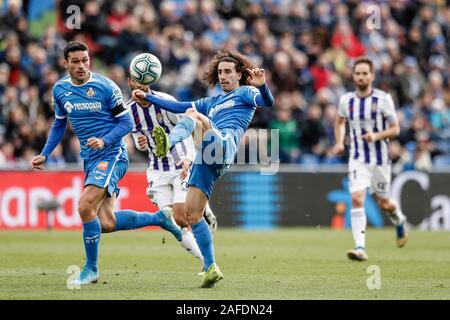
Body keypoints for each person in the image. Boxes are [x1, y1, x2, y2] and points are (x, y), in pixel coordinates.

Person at [30, 41, 182, 286]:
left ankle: (91, 269)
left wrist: (104, 140)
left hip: (112, 154)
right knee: (106, 222)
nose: (81, 65)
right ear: (65, 63)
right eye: (76, 61)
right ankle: (160, 219)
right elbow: (59, 123)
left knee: (84, 206)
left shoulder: (105, 86)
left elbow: (126, 124)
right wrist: (46, 153)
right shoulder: (60, 90)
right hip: (90, 158)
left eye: (85, 60)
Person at [133, 49, 275, 287]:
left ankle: (168, 142)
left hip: (223, 144)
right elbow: (177, 106)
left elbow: (267, 102)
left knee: (195, 116)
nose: (223, 76)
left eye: (228, 71)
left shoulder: (246, 92)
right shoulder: (212, 101)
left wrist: (262, 86)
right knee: (191, 215)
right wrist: (149, 98)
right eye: (220, 72)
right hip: (207, 158)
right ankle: (210, 267)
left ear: (240, 74)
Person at [127, 74, 218, 265]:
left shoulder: (165, 101)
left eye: (145, 81)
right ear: (130, 82)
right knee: (173, 222)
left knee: (181, 216)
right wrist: (142, 143)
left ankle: (209, 262)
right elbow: (141, 145)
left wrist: (190, 157)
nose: (141, 86)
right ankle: (205, 261)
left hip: (180, 164)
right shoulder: (129, 111)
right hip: (157, 169)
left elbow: (191, 122)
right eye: (137, 81)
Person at [332, 56, 408, 262]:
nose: (361, 77)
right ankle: (360, 248)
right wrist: (339, 142)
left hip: (380, 160)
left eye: (365, 73)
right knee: (357, 198)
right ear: (353, 76)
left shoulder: (383, 99)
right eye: (358, 73)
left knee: (384, 204)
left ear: (372, 76)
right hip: (357, 158)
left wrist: (376, 136)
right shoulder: (346, 100)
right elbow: (339, 122)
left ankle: (400, 220)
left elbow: (395, 128)